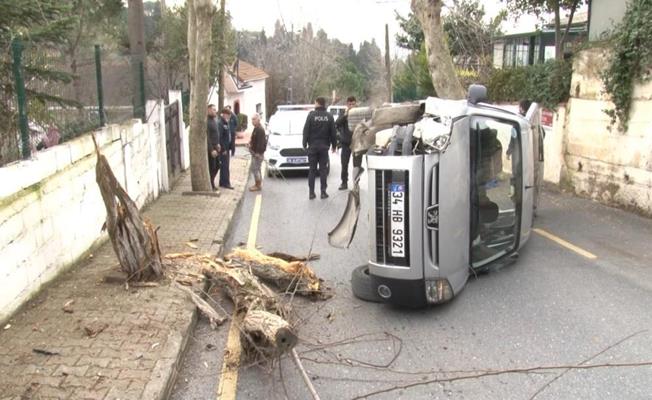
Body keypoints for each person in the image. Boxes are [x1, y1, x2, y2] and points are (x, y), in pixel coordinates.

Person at [303, 96, 337, 200]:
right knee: (323, 170)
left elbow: (306, 131)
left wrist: (304, 144)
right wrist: (334, 146)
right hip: (324, 147)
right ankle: (323, 192)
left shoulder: (311, 115)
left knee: (312, 170)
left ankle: (311, 193)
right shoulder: (329, 116)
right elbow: (333, 133)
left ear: (317, 103)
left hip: (312, 147)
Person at [335, 96, 356, 190]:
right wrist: (345, 115)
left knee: (357, 165)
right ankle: (344, 183)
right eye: (349, 104)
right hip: (345, 143)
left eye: (353, 104)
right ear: (347, 104)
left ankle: (356, 184)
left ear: (356, 103)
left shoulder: (359, 113)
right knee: (344, 164)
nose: (351, 105)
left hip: (357, 143)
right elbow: (337, 123)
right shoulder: (343, 113)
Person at [248, 113, 266, 192]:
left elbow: (261, 143)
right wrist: (250, 143)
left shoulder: (260, 129)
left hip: (258, 154)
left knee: (255, 169)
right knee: (257, 169)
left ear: (258, 120)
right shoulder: (256, 128)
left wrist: (258, 153)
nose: (252, 121)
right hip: (254, 152)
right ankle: (258, 183)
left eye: (254, 119)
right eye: (252, 119)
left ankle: (258, 185)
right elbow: (254, 139)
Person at [217, 108, 234, 189]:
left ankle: (222, 182)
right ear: (223, 114)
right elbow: (220, 137)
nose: (229, 117)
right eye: (228, 115)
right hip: (224, 149)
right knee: (225, 166)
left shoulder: (226, 122)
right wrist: (223, 149)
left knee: (225, 166)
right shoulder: (220, 123)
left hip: (227, 148)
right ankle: (226, 183)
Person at [206, 104, 221, 191]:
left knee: (217, 166)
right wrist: (211, 150)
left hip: (216, 147)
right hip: (211, 149)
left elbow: (215, 134)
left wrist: (218, 144)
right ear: (208, 110)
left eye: (215, 110)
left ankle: (212, 182)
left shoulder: (214, 120)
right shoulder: (207, 122)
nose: (215, 111)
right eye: (213, 110)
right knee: (212, 167)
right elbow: (207, 137)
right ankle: (211, 184)